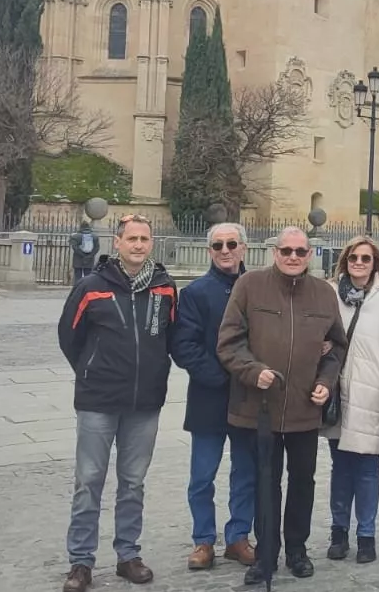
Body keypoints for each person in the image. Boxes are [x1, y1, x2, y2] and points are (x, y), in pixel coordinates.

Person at [217, 226, 349, 585]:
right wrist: (252, 370)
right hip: (261, 408)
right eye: (286, 250)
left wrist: (325, 382)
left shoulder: (323, 293)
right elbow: (229, 341)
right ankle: (266, 554)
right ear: (275, 252)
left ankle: (297, 550)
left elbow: (336, 347)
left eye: (300, 251)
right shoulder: (249, 286)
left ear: (309, 255)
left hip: (305, 409)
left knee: (303, 481)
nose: (293, 257)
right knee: (266, 482)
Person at [57, 214, 178, 592]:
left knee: (133, 482)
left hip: (145, 402)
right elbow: (69, 336)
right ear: (118, 242)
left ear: (151, 243)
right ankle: (81, 561)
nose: (138, 245)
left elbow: (170, 335)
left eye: (144, 239)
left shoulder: (164, 288)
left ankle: (128, 555)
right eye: (132, 239)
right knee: (89, 480)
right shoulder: (92, 286)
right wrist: (91, 370)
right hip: (99, 400)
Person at [323, 235, 379, 565]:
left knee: (367, 468)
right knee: (340, 467)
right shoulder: (330, 294)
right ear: (345, 261)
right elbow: (316, 333)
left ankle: (366, 535)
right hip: (337, 391)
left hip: (373, 392)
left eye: (365, 258)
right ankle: (338, 532)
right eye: (353, 258)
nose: (359, 263)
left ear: (375, 262)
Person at [171, 223, 257, 571]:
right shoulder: (196, 293)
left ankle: (238, 536)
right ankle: (203, 540)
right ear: (209, 251)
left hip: (248, 397)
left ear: (243, 248)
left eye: (231, 244)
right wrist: (221, 376)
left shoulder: (258, 288)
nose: (225, 250)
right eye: (218, 245)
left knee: (246, 472)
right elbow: (184, 345)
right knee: (202, 476)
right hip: (210, 395)